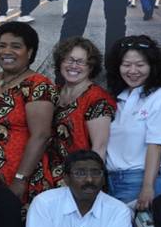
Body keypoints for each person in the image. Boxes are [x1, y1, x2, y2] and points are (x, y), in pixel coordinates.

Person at [0, 21, 54, 203]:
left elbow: (41, 136)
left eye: (16, 46)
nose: (7, 51)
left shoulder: (37, 85)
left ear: (30, 52)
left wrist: (20, 179)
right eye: (1, 46)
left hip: (19, 177)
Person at [105, 35, 161, 213]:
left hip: (145, 181)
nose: (133, 71)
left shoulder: (160, 97)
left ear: (152, 67)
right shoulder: (117, 99)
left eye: (140, 65)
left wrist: (148, 187)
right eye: (126, 65)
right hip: (112, 182)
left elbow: (157, 145)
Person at [47, 37, 115, 186]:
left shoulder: (97, 98)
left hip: (78, 181)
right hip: (47, 177)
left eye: (81, 62)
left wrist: (88, 183)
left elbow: (99, 148)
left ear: (91, 67)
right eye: (69, 60)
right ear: (60, 63)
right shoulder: (53, 92)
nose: (73, 66)